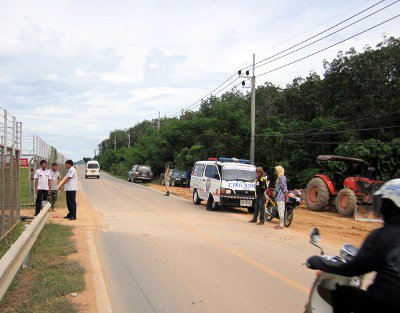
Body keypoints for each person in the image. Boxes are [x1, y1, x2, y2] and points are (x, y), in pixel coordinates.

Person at [307, 179, 400, 313]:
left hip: (384, 305)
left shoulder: (382, 235)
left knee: (342, 293)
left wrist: (320, 262)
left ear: (390, 204)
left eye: (384, 202)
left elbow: (353, 269)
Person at [274, 165, 288, 230]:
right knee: (280, 209)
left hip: (281, 196)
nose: (275, 171)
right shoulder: (280, 177)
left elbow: (284, 187)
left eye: (276, 170)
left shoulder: (281, 177)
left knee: (281, 210)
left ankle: (281, 224)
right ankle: (280, 223)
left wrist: (286, 195)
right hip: (279, 196)